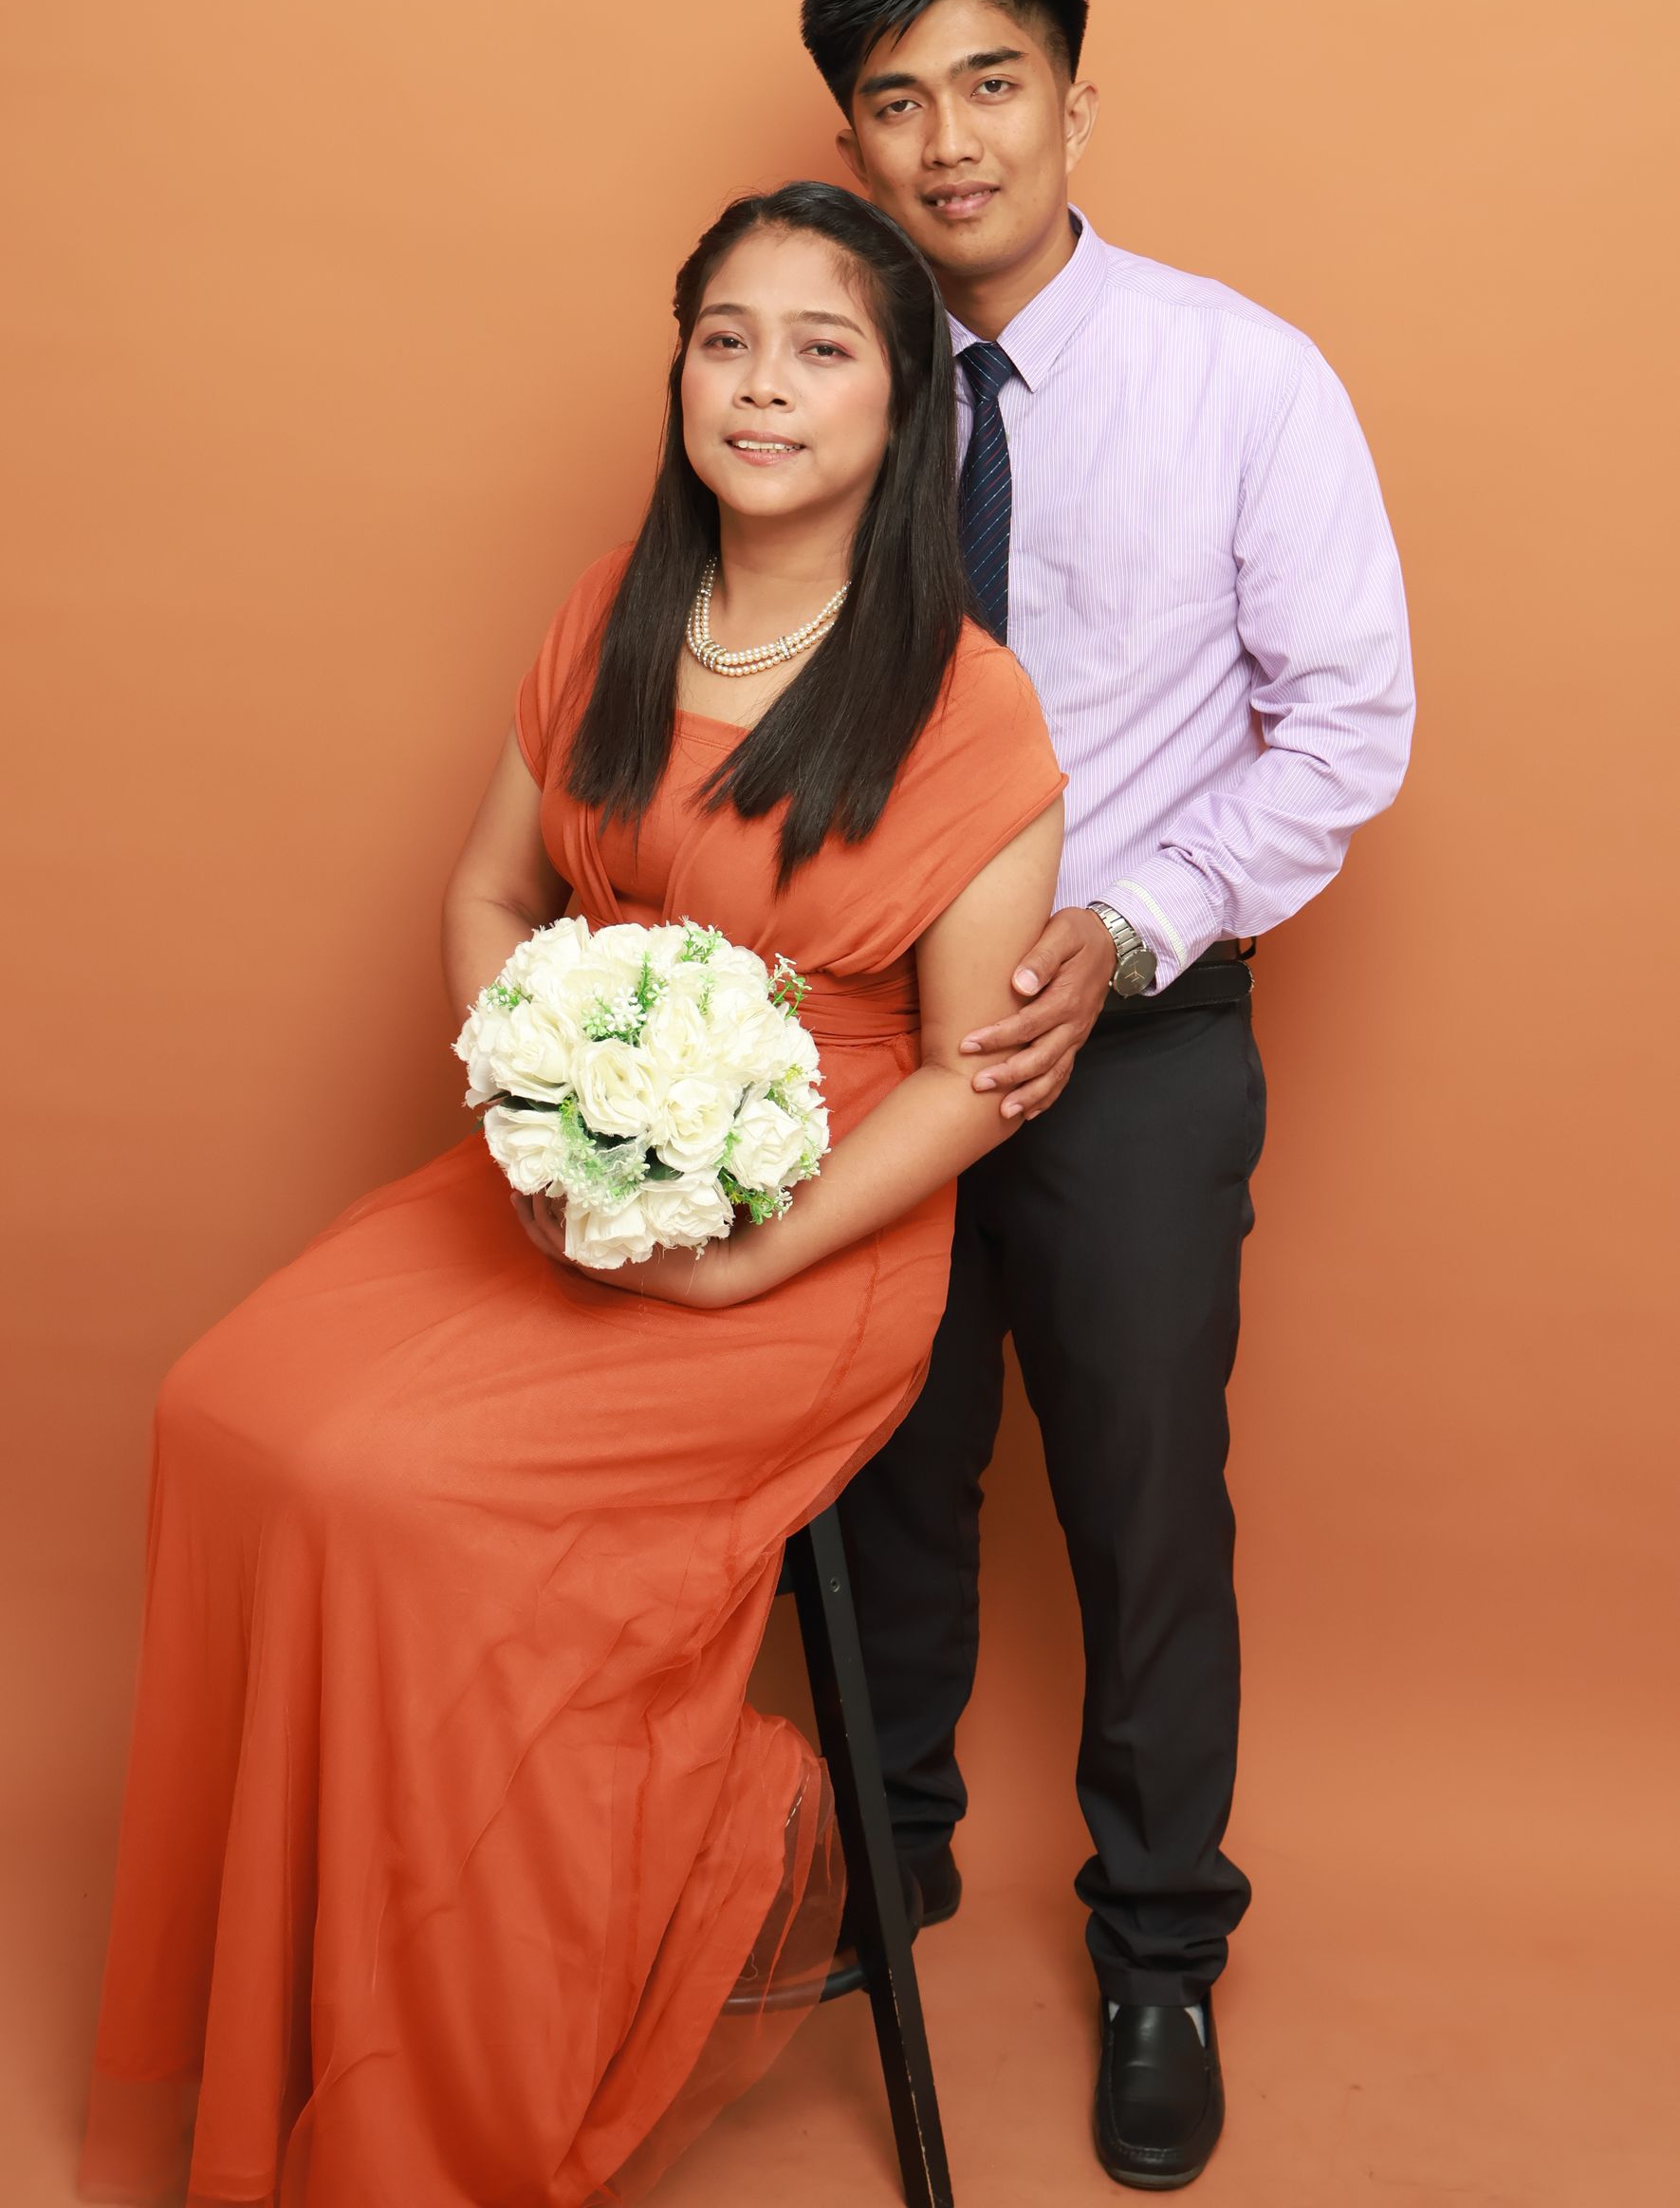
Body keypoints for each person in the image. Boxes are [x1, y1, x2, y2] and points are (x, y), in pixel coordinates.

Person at [79, 180, 1066, 2208]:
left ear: (903, 405)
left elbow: (973, 1076)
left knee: (400, 1494)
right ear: (679, 372)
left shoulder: (965, 699)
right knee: (226, 1408)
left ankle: (580, 1964)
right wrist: (544, 1112)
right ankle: (305, 2014)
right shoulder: (619, 604)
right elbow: (488, 893)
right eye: (725, 339)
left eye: (821, 347)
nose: (762, 384)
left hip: (808, 1235)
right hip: (564, 1172)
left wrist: (743, 1260)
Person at [800, 0, 1415, 2189]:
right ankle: (881, 1864)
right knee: (874, 1454)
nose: (947, 139)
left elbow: (1344, 720)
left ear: (1073, 98)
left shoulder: (1239, 374)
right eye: (896, 102)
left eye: (990, 82)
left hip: (1131, 1028)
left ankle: (1160, 1942)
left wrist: (1129, 925)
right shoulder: (825, 370)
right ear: (852, 144)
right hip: (868, 1024)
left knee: (1141, 1491)